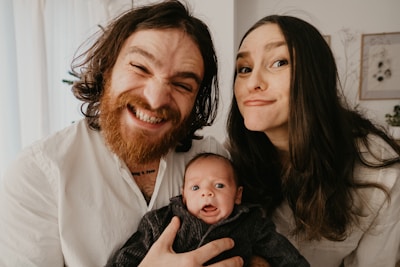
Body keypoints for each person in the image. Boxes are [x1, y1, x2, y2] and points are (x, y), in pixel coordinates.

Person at [0, 1, 243, 266]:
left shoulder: (213, 160)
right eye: (140, 68)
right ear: (108, 69)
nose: (156, 99)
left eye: (182, 84)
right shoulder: (37, 175)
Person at [227, 14, 400, 267]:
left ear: (315, 76)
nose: (252, 82)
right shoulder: (228, 160)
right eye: (244, 69)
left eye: (279, 62)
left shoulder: (380, 174)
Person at [106, 152, 310, 267]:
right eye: (196, 188)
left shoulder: (250, 222)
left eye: (219, 185)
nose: (207, 193)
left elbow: (285, 256)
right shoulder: (162, 223)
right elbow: (126, 259)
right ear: (183, 194)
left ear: (238, 195)